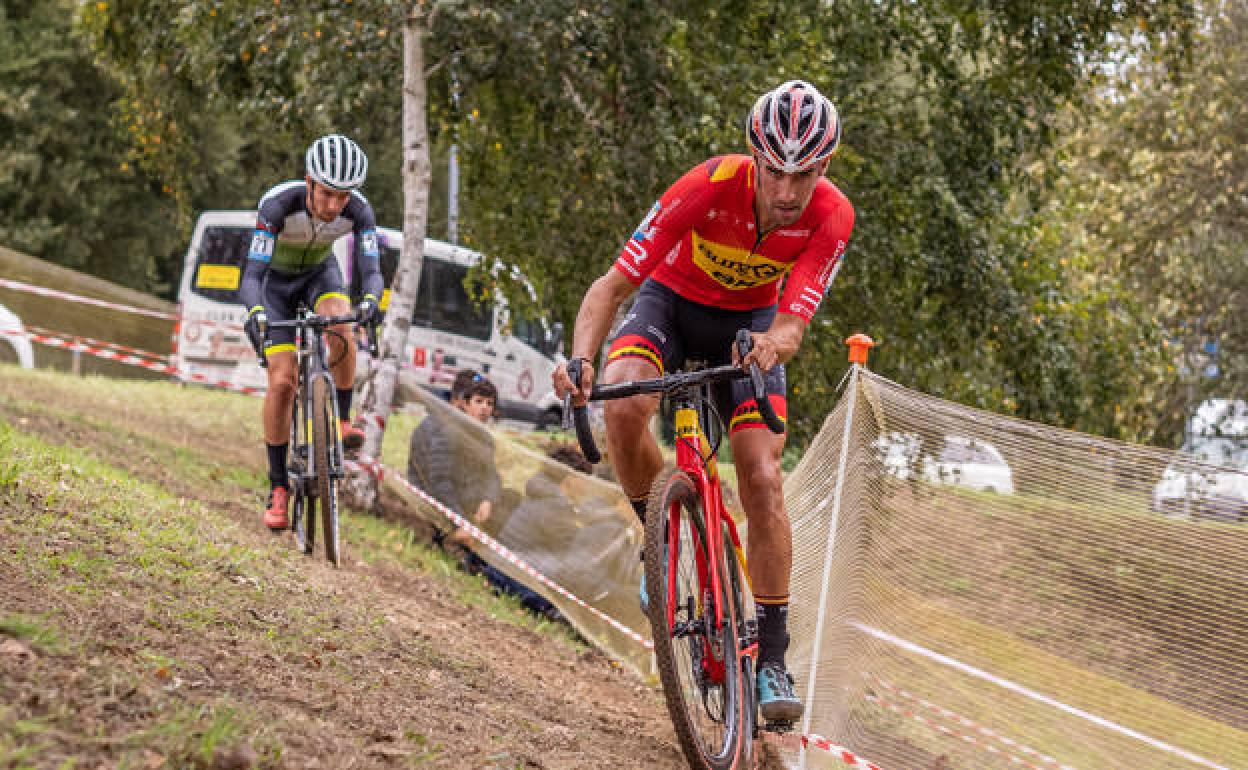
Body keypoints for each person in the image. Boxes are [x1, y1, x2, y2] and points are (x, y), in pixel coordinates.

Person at [552, 80, 854, 722]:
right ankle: (657, 541)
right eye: (776, 171)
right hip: (670, 306)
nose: (787, 192)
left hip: (751, 331)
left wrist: (774, 342)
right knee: (624, 406)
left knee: (765, 479)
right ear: (755, 157)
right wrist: (580, 360)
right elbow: (610, 287)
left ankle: (772, 655)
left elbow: (795, 324)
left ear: (824, 168)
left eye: (805, 176)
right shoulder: (707, 185)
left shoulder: (832, 215)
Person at [240, 134, 384, 531]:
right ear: (309, 182)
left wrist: (371, 302)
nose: (334, 205)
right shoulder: (277, 206)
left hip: (320, 276)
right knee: (283, 381)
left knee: (342, 322)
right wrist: (255, 311)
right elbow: (251, 274)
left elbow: (372, 271)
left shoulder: (360, 210)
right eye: (326, 194)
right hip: (275, 287)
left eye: (343, 196)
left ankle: (339, 420)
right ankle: (277, 486)